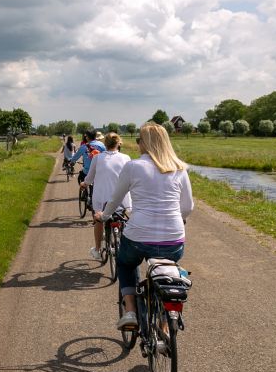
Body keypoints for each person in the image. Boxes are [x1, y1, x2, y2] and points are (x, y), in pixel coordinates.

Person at [96, 122, 193, 330]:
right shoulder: (180, 168)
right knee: (167, 273)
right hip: (173, 239)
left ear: (146, 143)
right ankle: (166, 322)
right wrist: (177, 219)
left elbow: (116, 199)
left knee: (126, 263)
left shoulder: (133, 166)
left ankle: (130, 311)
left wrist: (104, 215)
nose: (138, 144)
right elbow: (187, 207)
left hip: (139, 235)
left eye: (139, 140)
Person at [82, 132, 131, 261]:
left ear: (105, 144)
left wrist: (84, 183)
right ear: (119, 143)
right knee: (124, 219)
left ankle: (97, 250)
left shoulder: (97, 158)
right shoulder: (126, 158)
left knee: (99, 220)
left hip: (101, 198)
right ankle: (123, 243)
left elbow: (90, 177)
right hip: (122, 199)